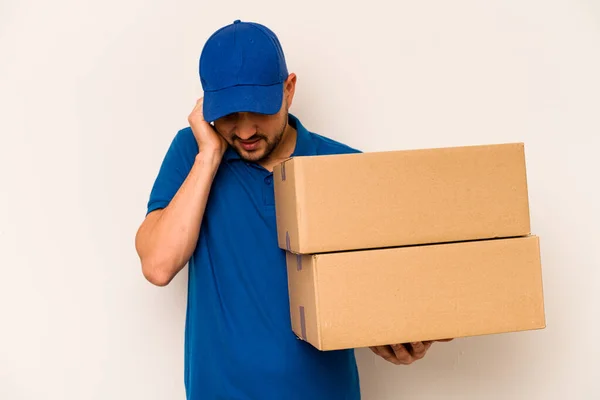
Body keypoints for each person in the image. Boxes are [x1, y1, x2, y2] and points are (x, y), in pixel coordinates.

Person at [135, 19, 449, 400]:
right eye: (230, 115)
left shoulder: (343, 167)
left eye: (259, 111)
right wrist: (209, 155)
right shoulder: (193, 153)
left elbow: (376, 291)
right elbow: (157, 265)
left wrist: (394, 338)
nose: (246, 131)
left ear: (289, 90)